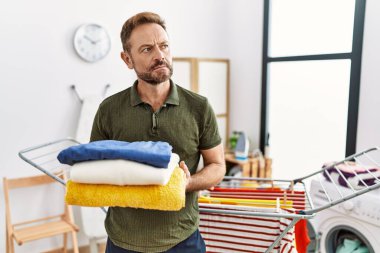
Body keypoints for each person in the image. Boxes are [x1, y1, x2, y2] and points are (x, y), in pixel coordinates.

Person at [90, 12, 226, 253]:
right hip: (123, 242)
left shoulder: (199, 107)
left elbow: (217, 165)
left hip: (183, 241)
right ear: (127, 59)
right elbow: (96, 169)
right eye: (146, 49)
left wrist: (188, 182)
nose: (160, 55)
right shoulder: (109, 110)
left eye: (164, 46)